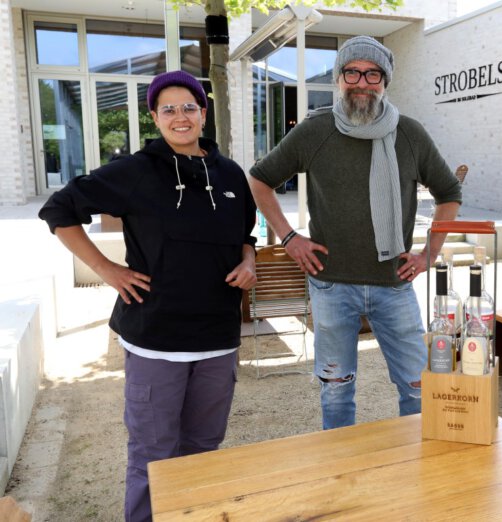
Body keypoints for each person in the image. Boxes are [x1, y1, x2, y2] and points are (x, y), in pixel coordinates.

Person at [38, 70, 258, 521]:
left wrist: (249, 261)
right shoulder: (136, 171)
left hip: (218, 338)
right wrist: (106, 268)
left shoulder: (230, 173)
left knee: (203, 449)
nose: (181, 117)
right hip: (157, 339)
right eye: (169, 109)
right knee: (153, 455)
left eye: (189, 107)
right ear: (155, 117)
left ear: (203, 112)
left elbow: (245, 233)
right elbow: (58, 209)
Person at [248, 36, 462, 430]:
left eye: (372, 73)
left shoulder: (410, 134)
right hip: (331, 285)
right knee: (336, 388)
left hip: (393, 283)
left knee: (419, 387)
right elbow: (260, 180)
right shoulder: (315, 131)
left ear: (385, 81)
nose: (362, 82)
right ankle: (340, 471)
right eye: (352, 72)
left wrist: (428, 255)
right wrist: (289, 237)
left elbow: (449, 193)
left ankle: (417, 469)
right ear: (339, 78)